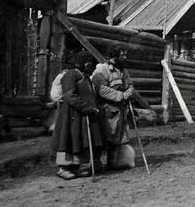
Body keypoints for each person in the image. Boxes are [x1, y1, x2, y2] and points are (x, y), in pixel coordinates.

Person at [50, 50, 105, 180]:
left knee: (77, 140)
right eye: (89, 64)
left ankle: (76, 167)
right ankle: (63, 168)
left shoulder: (83, 75)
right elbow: (69, 95)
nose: (90, 67)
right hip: (70, 114)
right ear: (84, 63)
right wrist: (85, 107)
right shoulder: (70, 75)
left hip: (80, 114)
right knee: (67, 138)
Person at [91, 45, 136, 170]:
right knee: (105, 136)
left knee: (118, 137)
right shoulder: (101, 70)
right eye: (122, 55)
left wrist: (128, 93)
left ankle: (113, 163)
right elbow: (100, 89)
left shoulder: (123, 71)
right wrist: (120, 95)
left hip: (120, 111)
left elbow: (130, 85)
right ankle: (96, 164)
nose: (124, 58)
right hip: (106, 110)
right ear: (113, 56)